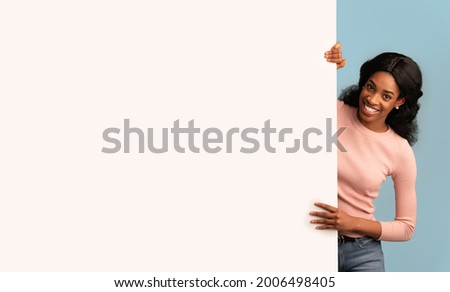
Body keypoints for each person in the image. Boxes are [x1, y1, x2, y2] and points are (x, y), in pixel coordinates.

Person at [310, 43, 423, 272]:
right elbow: (287, 95)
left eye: (386, 96)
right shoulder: (333, 112)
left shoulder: (400, 150)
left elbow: (406, 228)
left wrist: (353, 223)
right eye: (370, 87)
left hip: (363, 254)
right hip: (313, 242)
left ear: (399, 101)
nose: (372, 99)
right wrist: (321, 67)